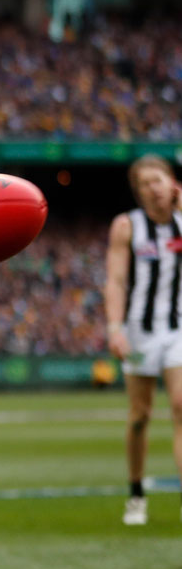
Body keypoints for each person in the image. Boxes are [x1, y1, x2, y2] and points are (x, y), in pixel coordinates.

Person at [104, 154, 182, 526]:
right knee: (140, 416)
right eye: (145, 184)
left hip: (179, 328)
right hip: (139, 330)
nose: (154, 189)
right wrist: (115, 328)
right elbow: (116, 280)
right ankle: (136, 492)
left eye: (158, 180)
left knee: (181, 406)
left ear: (172, 183)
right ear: (138, 193)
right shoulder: (127, 226)